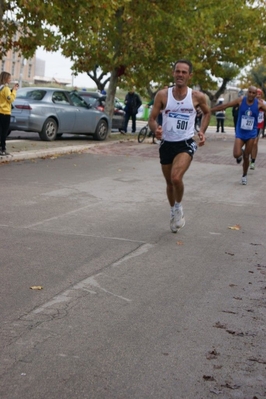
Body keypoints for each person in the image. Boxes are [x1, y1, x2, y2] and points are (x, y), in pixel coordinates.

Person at [148, 59, 211, 233]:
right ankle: (173, 211)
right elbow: (152, 119)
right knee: (169, 183)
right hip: (166, 143)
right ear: (173, 73)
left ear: (190, 75)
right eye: (177, 71)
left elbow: (207, 113)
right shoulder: (162, 95)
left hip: (185, 143)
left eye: (184, 72)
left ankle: (179, 207)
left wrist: (202, 131)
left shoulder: (197, 97)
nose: (180, 75)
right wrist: (156, 130)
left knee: (176, 178)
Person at [211, 86, 266, 185]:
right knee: (236, 154)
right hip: (240, 132)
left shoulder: (259, 104)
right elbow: (225, 106)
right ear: (247, 92)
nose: (251, 94)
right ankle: (243, 151)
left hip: (251, 133)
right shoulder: (241, 100)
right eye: (250, 92)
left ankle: (244, 175)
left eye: (254, 93)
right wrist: (209, 110)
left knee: (246, 157)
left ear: (255, 94)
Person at [0, 72, 18, 156]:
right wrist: (14, 91)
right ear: (6, 79)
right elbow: (10, 99)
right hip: (5, 113)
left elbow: (3, 96)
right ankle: (2, 149)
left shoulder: (1, 87)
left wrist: (11, 90)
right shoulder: (6, 88)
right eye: (9, 78)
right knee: (4, 132)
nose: (10, 79)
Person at [250, 88, 266, 169]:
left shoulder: (264, 103)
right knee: (249, 142)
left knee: (255, 143)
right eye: (257, 94)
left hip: (259, 125)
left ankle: (252, 161)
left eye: (259, 94)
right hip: (250, 124)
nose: (258, 96)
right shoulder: (250, 103)